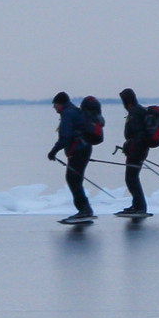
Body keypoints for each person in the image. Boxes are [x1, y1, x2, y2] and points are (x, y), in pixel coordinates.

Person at [46, 92, 96, 223]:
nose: (54, 108)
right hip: (83, 149)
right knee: (75, 180)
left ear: (60, 104)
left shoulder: (68, 114)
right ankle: (85, 210)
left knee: (73, 179)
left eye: (55, 104)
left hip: (79, 150)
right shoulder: (73, 111)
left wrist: (53, 152)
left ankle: (84, 211)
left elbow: (65, 137)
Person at [116, 88, 153, 218]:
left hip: (137, 150)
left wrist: (132, 149)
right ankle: (136, 205)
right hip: (138, 149)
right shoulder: (137, 110)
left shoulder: (135, 112)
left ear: (127, 100)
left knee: (131, 178)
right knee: (132, 178)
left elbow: (139, 134)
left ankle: (140, 207)